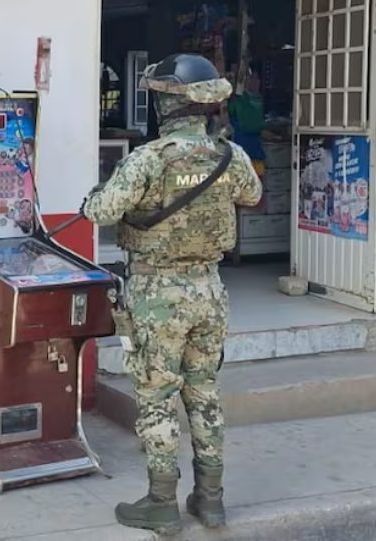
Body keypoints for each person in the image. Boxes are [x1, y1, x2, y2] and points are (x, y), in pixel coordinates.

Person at [82, 53, 262, 535]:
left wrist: (93, 198)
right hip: (209, 287)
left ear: (165, 105)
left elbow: (101, 211)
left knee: (157, 394)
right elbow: (252, 196)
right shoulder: (231, 156)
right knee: (204, 392)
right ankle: (211, 500)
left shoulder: (148, 159)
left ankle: (161, 503)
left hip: (158, 293)